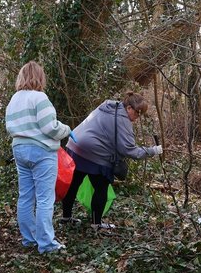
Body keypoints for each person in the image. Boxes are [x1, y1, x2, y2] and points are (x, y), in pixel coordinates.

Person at [60, 93, 162, 229]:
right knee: (101, 187)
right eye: (137, 113)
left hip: (75, 145)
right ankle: (96, 224)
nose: (137, 118)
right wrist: (153, 150)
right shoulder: (122, 119)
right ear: (129, 108)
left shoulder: (108, 106)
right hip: (94, 153)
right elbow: (129, 150)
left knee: (74, 184)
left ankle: (66, 218)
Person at [5, 61, 71, 254]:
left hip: (19, 148)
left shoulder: (14, 100)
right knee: (44, 198)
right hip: (41, 151)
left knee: (25, 196)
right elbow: (50, 127)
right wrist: (66, 129)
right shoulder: (40, 98)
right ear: (40, 77)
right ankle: (47, 244)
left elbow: (9, 127)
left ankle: (29, 239)